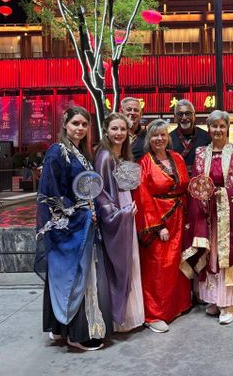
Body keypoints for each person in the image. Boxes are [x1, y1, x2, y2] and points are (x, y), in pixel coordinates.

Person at [35, 106, 112, 351]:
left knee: (78, 278)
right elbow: (52, 193)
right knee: (74, 279)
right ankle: (75, 335)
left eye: (84, 124)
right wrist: (80, 213)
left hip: (82, 225)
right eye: (75, 123)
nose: (80, 128)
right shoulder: (57, 152)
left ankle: (61, 330)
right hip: (70, 227)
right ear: (65, 124)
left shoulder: (80, 153)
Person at [181, 110, 233, 325]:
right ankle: (214, 299)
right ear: (208, 129)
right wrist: (203, 195)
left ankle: (228, 303)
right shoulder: (201, 153)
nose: (218, 130)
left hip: (229, 213)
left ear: (227, 128)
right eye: (214, 126)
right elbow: (195, 183)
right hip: (207, 212)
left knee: (227, 254)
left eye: (221, 126)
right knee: (211, 254)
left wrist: (223, 193)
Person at [133, 119, 192, 333]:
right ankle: (154, 314)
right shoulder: (144, 163)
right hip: (159, 220)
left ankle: (178, 305)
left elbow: (186, 187)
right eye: (155, 135)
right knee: (157, 266)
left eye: (163, 135)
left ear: (168, 137)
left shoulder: (177, 157)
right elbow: (142, 196)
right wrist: (158, 226)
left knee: (177, 263)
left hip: (180, 217)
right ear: (149, 139)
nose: (159, 139)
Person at [94, 113, 144, 332]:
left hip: (127, 209)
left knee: (131, 260)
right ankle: (118, 319)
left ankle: (132, 316)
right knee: (121, 263)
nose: (119, 133)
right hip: (118, 213)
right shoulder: (104, 157)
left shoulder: (123, 156)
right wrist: (119, 213)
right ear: (106, 131)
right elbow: (100, 194)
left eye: (123, 129)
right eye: (114, 128)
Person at [169, 99, 211, 173]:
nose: (184, 118)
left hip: (200, 179)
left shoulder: (207, 137)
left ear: (194, 116)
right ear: (175, 117)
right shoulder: (168, 139)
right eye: (180, 114)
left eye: (188, 113)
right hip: (176, 180)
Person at [120, 97, 146, 161]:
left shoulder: (148, 136)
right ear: (121, 112)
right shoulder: (115, 135)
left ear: (141, 114)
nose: (132, 113)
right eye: (129, 109)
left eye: (136, 110)